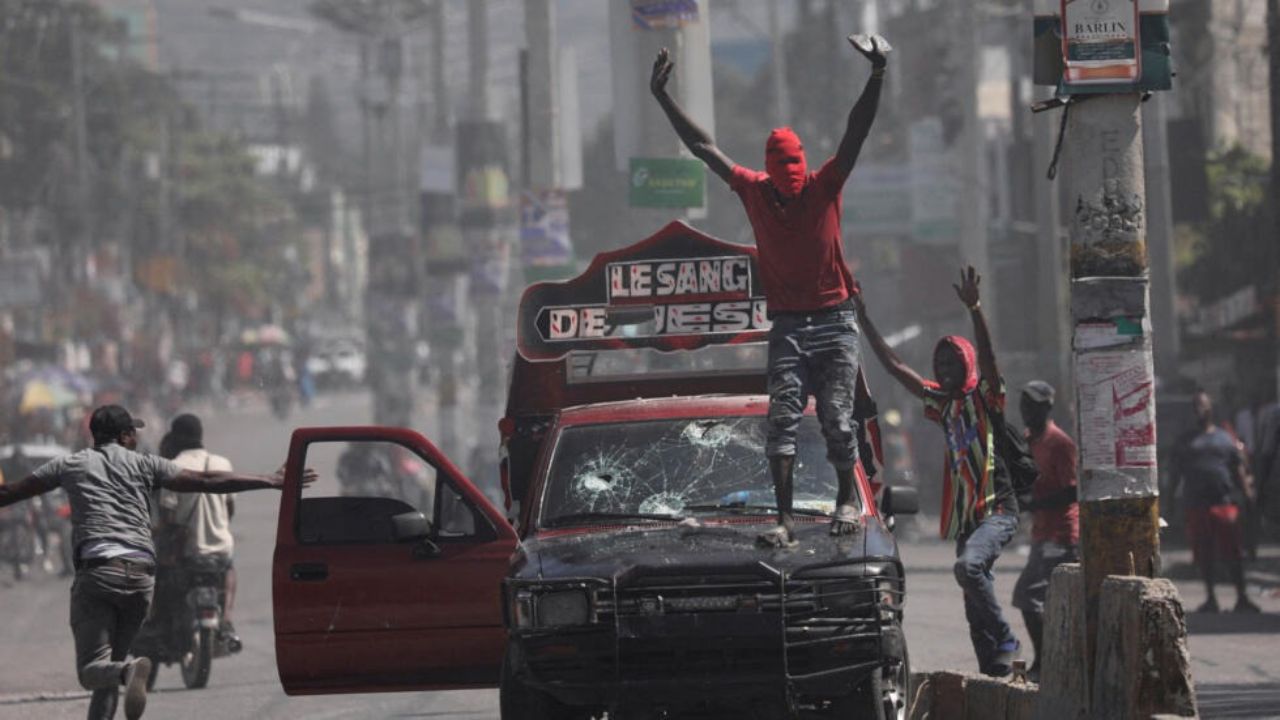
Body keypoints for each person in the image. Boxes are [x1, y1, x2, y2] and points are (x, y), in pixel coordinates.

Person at [650, 33, 888, 547]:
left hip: (834, 320)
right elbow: (702, 147)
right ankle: (784, 520)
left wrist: (877, 74)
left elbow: (855, 132)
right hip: (787, 323)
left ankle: (846, 498)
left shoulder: (824, 187)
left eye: (795, 177)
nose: (790, 186)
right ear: (770, 174)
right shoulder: (754, 190)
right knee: (780, 418)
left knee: (837, 420)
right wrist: (662, 97)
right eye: (783, 179)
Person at [0, 404, 313, 720]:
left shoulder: (70, 464)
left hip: (98, 574)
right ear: (123, 436)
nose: (136, 437)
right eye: (132, 432)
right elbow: (206, 480)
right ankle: (126, 671)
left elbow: (13, 491)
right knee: (109, 672)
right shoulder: (145, 465)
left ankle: (128, 671)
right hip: (140, 576)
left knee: (92, 670)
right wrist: (269, 480)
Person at [854, 266, 1022, 677]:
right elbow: (895, 367)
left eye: (952, 361)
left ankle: (1006, 638)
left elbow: (990, 359)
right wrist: (862, 318)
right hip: (969, 520)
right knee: (971, 599)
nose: (945, 367)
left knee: (967, 569)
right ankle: (994, 672)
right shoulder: (942, 405)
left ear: (967, 364)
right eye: (940, 361)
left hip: (997, 510)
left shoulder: (985, 397)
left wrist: (975, 309)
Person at [1010, 380, 1079, 682]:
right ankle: (1056, 661)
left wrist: (1033, 504)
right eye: (1024, 404)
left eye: (1033, 405)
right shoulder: (1028, 440)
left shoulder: (1060, 443)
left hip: (1060, 534)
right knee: (1045, 600)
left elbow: (1072, 492)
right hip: (1041, 532)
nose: (1026, 411)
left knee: (1028, 595)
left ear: (1047, 407)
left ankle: (1047, 661)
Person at [154, 414, 241, 647]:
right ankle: (227, 618)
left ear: (175, 437)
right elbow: (229, 509)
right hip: (221, 549)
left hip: (188, 551)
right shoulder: (222, 464)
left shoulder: (172, 467)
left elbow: (168, 516)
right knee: (230, 568)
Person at [1171, 391, 1260, 614]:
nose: (1200, 410)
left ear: (1211, 409)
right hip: (1196, 505)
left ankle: (1242, 597)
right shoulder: (1185, 441)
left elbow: (1238, 469)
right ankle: (1211, 598)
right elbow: (1175, 474)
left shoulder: (1225, 438)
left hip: (1224, 503)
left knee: (1233, 553)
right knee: (1204, 554)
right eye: (1196, 407)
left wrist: (1248, 495)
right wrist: (1171, 503)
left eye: (1203, 406)